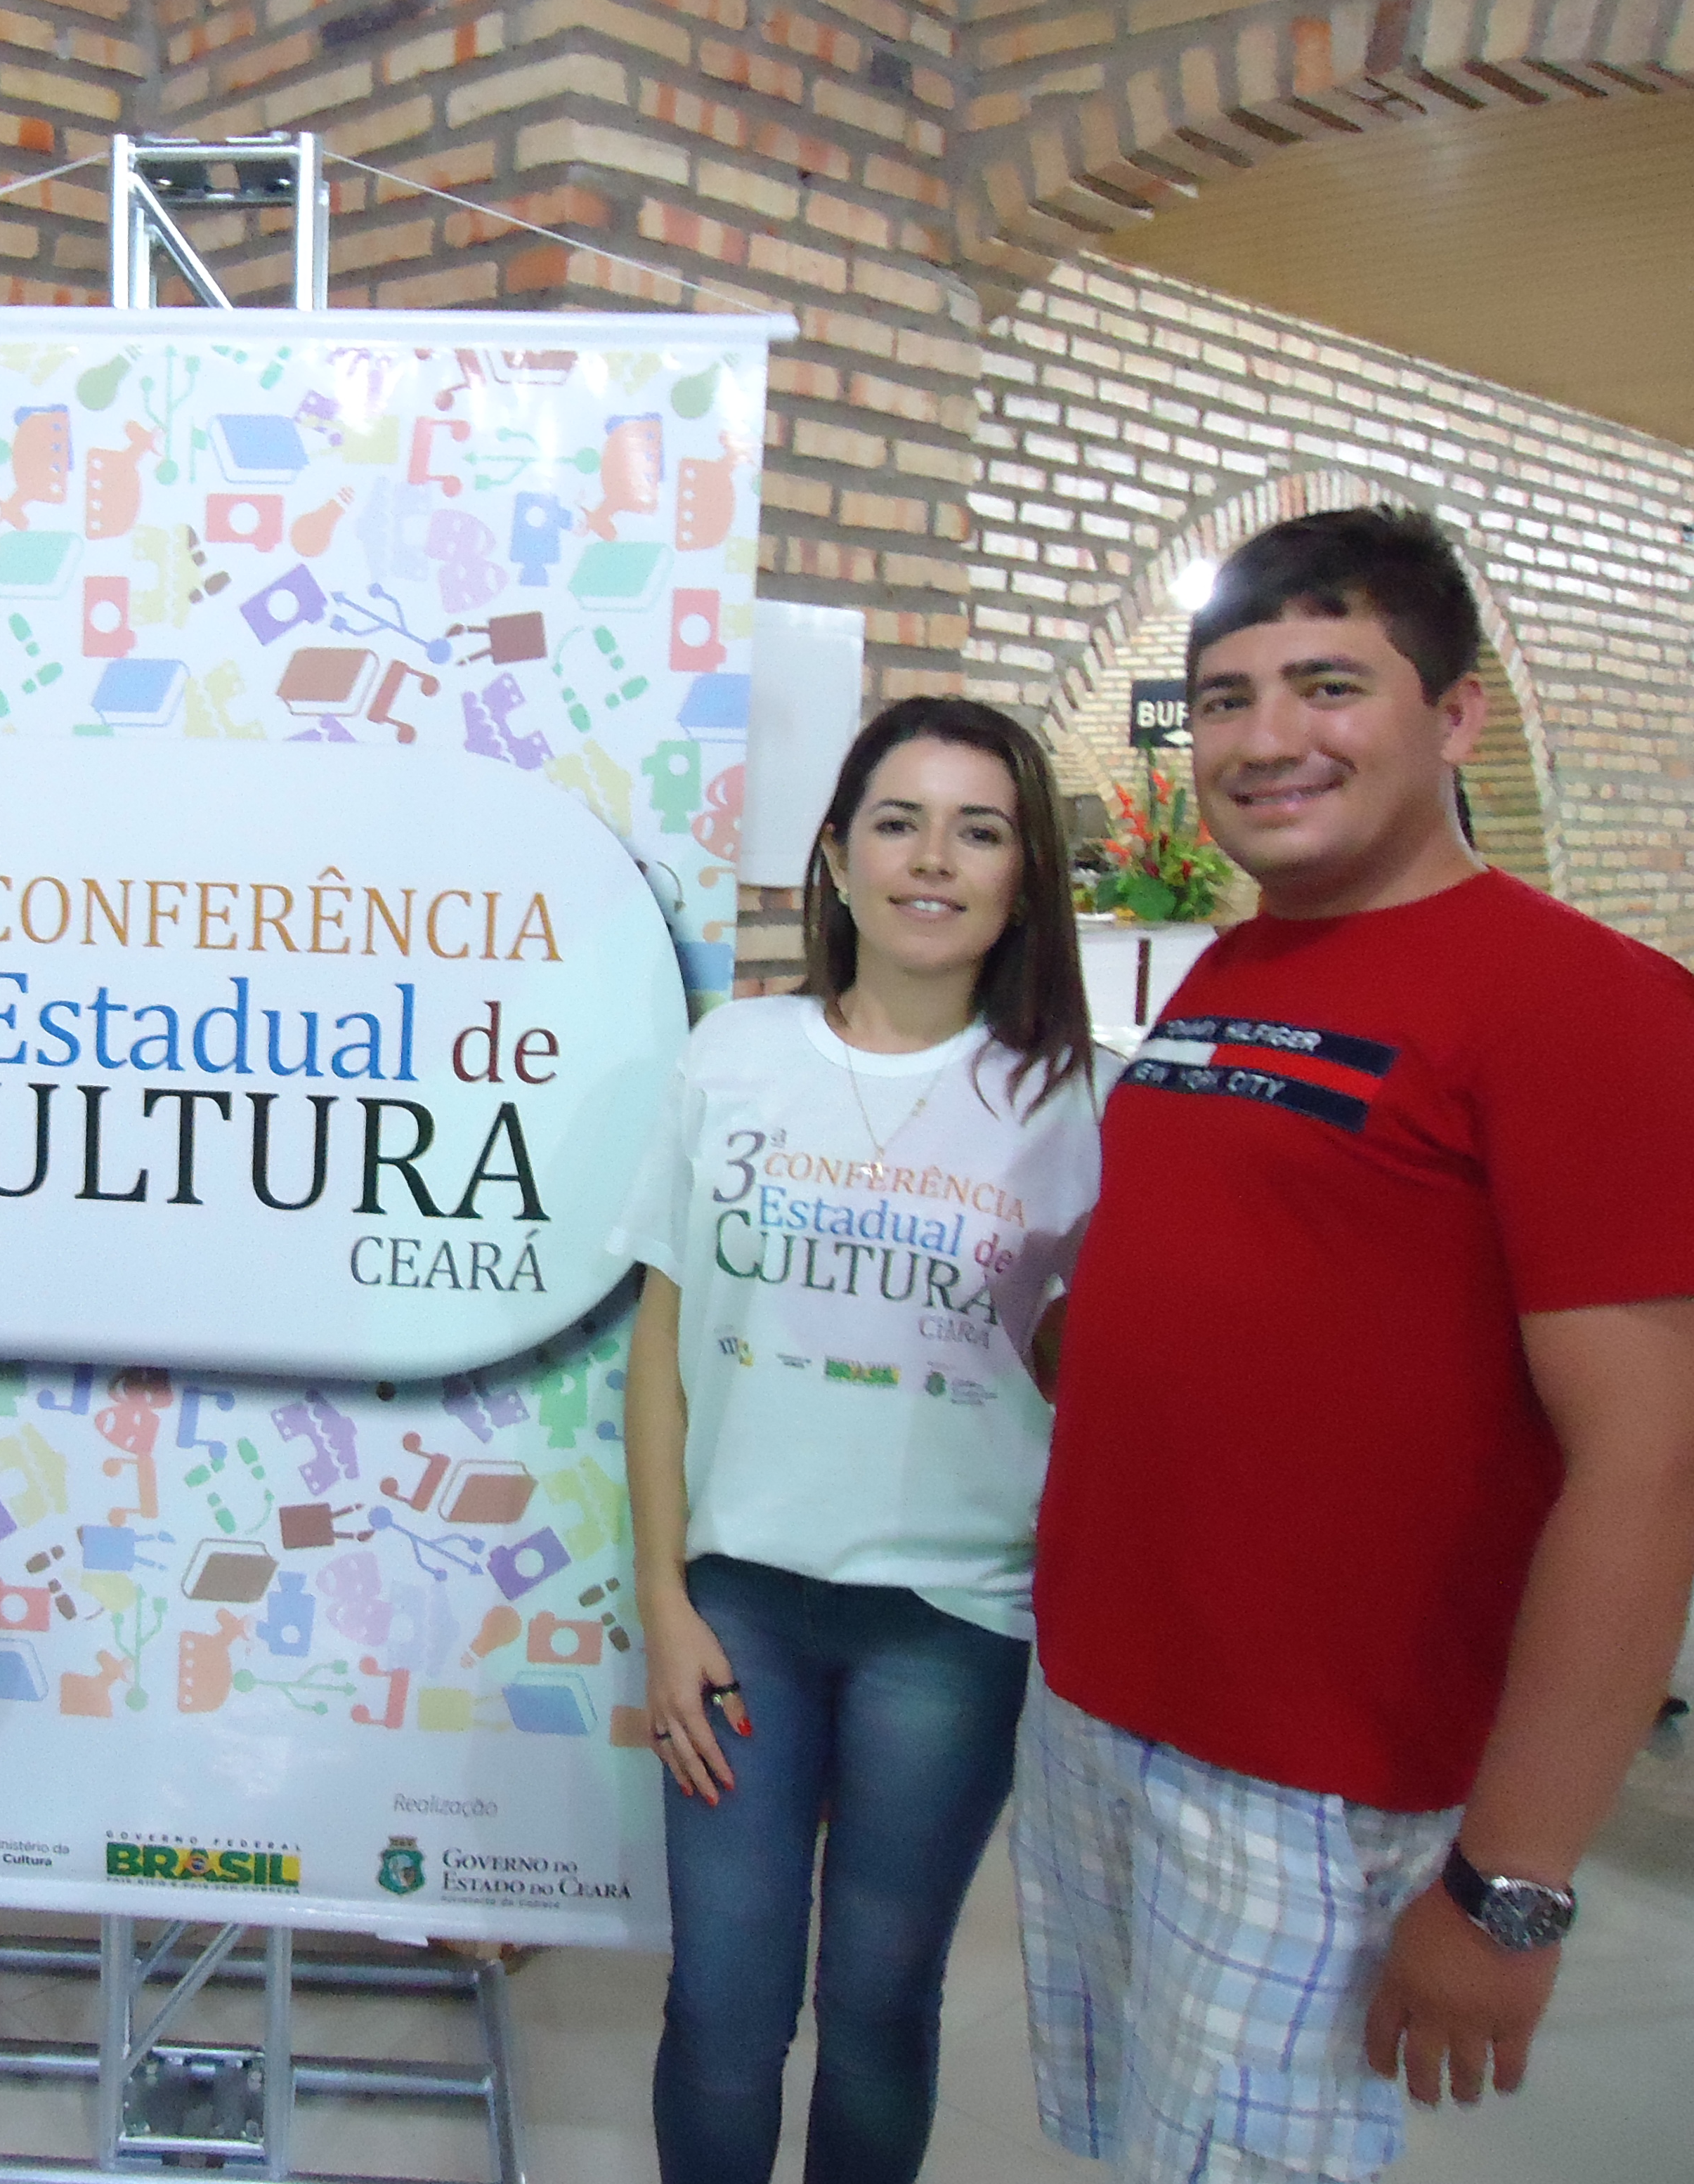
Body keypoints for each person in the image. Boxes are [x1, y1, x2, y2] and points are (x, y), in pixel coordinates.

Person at [1019, 505, 1694, 2181]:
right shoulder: (1232, 968)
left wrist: (1511, 1881)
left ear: (1453, 715)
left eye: (1328, 685)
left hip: (1315, 1781)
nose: (1266, 739)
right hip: (1099, 1707)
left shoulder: (1587, 1006)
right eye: (1224, 698)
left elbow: (1650, 1468)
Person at [615, 695, 1110, 2184]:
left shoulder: (1078, 1101)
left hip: (953, 1623)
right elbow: (662, 1348)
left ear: (1025, 873)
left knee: (882, 2006)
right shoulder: (735, 1055)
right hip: (739, 1611)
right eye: (899, 823)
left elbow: (1097, 1383)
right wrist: (662, 1597)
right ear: (836, 857)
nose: (932, 861)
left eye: (979, 830)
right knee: (723, 2004)